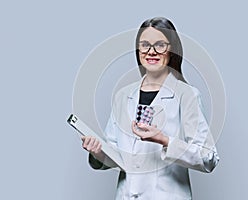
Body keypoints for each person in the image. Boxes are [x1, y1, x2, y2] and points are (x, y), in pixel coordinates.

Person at [81, 17, 219, 200]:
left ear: (172, 50)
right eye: (145, 45)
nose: (151, 52)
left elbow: (208, 157)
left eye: (160, 45)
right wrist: (98, 152)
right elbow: (116, 154)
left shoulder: (187, 95)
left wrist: (164, 140)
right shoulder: (123, 96)